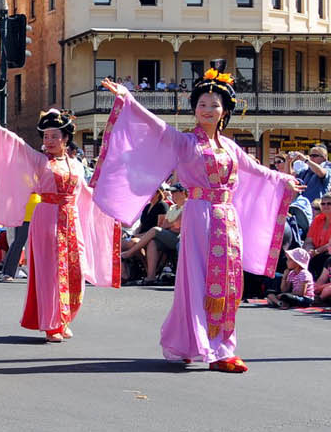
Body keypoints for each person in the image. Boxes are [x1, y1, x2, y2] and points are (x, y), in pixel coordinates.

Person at [93, 69, 301, 372]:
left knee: (228, 281)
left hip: (227, 218)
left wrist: (285, 180)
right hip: (200, 215)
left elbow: (258, 171)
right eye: (202, 104)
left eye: (214, 105)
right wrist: (129, 100)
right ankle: (215, 350)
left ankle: (190, 342)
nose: (207, 110)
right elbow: (156, 127)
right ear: (194, 109)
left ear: (224, 111)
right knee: (199, 280)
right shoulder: (185, 142)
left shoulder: (230, 147)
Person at [0, 108, 122, 342]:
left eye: (54, 136)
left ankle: (64, 318)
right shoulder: (40, 161)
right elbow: (15, 145)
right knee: (50, 273)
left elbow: (86, 194)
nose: (49, 140)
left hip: (72, 219)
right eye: (46, 136)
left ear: (66, 138)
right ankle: (51, 324)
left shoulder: (76, 165)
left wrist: (112, 207)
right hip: (47, 219)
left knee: (75, 270)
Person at [120, 187, 173, 285]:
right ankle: (125, 273)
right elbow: (141, 225)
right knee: (121, 243)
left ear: (158, 193)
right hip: (141, 235)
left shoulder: (162, 205)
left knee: (133, 242)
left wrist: (138, 235)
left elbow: (160, 226)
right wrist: (134, 234)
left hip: (152, 236)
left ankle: (147, 268)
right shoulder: (147, 207)